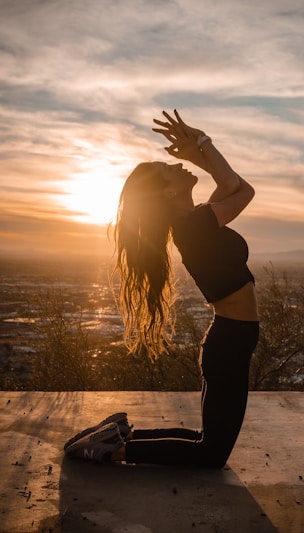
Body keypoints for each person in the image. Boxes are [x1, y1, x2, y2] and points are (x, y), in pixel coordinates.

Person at [64, 110, 259, 468]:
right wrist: (202, 145)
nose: (179, 167)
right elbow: (242, 190)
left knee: (206, 442)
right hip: (231, 340)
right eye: (170, 169)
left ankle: (120, 435)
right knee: (211, 454)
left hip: (232, 338)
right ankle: (116, 450)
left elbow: (231, 187)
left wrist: (199, 152)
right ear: (169, 191)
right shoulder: (194, 226)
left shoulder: (195, 221)